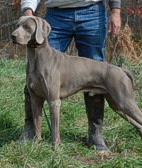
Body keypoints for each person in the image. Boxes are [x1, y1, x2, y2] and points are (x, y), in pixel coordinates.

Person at [19, 0, 121, 152]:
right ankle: (31, 130)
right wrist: (28, 11)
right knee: (36, 74)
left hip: (92, 14)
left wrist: (115, 11)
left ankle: (95, 135)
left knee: (96, 77)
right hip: (56, 15)